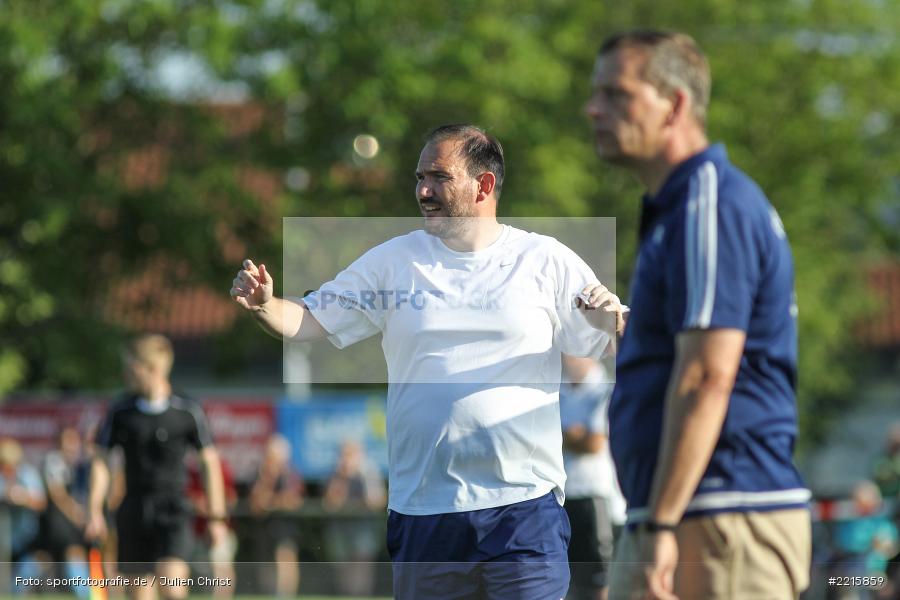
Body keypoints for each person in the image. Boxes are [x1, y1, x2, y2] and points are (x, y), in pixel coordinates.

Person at [230, 123, 626, 600]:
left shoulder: (544, 260)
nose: (422, 190)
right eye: (420, 177)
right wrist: (265, 306)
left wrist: (615, 325)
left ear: (484, 185)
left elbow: (619, 347)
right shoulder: (394, 261)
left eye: (439, 177)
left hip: (523, 509)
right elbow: (310, 319)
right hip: (425, 511)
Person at [586, 31, 811, 599]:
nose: (594, 109)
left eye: (617, 94)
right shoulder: (680, 207)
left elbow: (708, 376)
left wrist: (662, 522)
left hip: (719, 516)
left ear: (675, 105)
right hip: (681, 513)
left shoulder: (709, 201)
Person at [86, 333, 228, 600]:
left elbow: (209, 461)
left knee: (172, 587)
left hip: (173, 509)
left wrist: (217, 517)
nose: (126, 372)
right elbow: (102, 460)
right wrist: (94, 509)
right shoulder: (120, 411)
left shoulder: (187, 410)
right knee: (140, 595)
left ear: (152, 368)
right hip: (134, 508)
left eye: (131, 365)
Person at [559, 355, 626, 600]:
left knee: (599, 583)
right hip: (561, 496)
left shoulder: (606, 389)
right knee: (567, 583)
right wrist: (572, 434)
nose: (569, 356)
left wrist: (557, 433)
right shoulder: (556, 389)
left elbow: (593, 443)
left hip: (596, 496)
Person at [323, 439, 387, 597]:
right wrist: (342, 478)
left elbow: (377, 502)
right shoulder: (334, 473)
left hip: (363, 526)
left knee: (362, 565)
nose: (346, 458)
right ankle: (346, 594)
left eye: (350, 453)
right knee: (342, 567)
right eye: (344, 454)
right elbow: (330, 503)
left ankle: (361, 595)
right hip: (339, 527)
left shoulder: (369, 471)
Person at [247, 433, 304, 598]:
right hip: (265, 527)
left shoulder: (290, 473)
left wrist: (270, 502)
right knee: (266, 563)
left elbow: (292, 500)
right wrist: (267, 478)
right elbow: (256, 503)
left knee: (285, 559)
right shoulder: (260, 473)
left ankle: (285, 596)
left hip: (285, 527)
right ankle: (268, 594)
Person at [40, 426, 92, 599]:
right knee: (72, 552)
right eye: (67, 440)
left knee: (47, 557)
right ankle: (84, 594)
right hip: (59, 519)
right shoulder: (53, 460)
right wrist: (76, 514)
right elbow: (58, 494)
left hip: (71, 518)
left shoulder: (78, 463)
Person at [0, 437, 46, 594]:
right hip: (3, 539)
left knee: (23, 576)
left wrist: (23, 498)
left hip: (25, 538)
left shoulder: (28, 474)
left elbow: (41, 502)